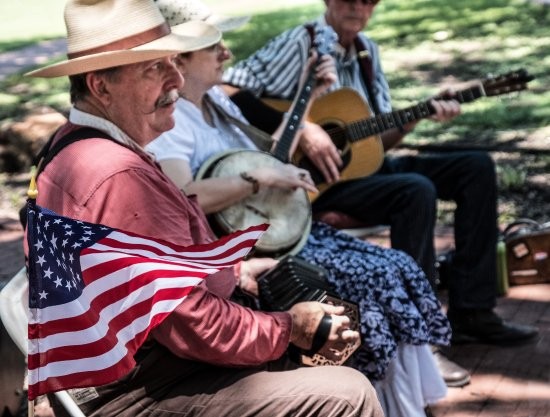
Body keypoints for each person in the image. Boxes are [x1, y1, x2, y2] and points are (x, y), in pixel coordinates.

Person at [24, 1, 384, 416]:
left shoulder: (70, 143)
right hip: (138, 390)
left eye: (173, 63)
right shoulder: (117, 174)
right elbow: (194, 326)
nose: (176, 79)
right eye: (154, 68)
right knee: (346, 393)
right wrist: (290, 328)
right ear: (100, 87)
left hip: (133, 367)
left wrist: (237, 272)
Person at [147, 2, 453, 415]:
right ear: (180, 59)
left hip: (286, 231)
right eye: (214, 47)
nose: (227, 54)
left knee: (397, 265)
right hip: (253, 251)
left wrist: (307, 97)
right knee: (372, 295)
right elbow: (186, 197)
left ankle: (410, 400)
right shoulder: (174, 122)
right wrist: (259, 180)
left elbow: (273, 155)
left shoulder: (217, 102)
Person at [222, 0, 539, 386]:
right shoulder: (300, 42)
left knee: (475, 167)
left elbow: (372, 143)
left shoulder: (366, 52)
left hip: (360, 171)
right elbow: (227, 87)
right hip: (308, 184)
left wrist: (416, 117)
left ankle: (473, 311)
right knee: (414, 190)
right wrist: (303, 128)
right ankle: (421, 340)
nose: (358, 6)